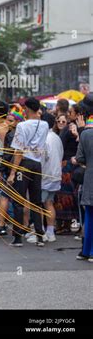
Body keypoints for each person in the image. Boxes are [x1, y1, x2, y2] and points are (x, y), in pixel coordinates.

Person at [8, 97, 49, 247]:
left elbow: (18, 151)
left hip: (24, 164)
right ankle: (40, 235)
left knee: (19, 200)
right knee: (36, 201)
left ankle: (18, 237)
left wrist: (13, 172)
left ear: (26, 109)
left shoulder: (22, 126)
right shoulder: (45, 125)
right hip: (37, 164)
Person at [0, 104, 25, 235]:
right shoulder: (22, 132)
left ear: (18, 121)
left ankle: (2, 225)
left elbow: (8, 154)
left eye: (11, 120)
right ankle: (23, 227)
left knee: (4, 196)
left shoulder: (12, 134)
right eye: (7, 119)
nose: (7, 122)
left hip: (11, 170)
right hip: (23, 170)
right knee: (21, 199)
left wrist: (2, 170)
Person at [36, 113, 63, 244]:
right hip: (55, 175)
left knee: (40, 205)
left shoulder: (44, 138)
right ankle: (50, 232)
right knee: (49, 203)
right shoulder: (56, 137)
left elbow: (42, 159)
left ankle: (41, 232)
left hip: (45, 176)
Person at [74, 93, 93, 262]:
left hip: (89, 179)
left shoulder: (86, 133)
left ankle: (87, 250)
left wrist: (81, 131)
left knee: (89, 215)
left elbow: (79, 158)